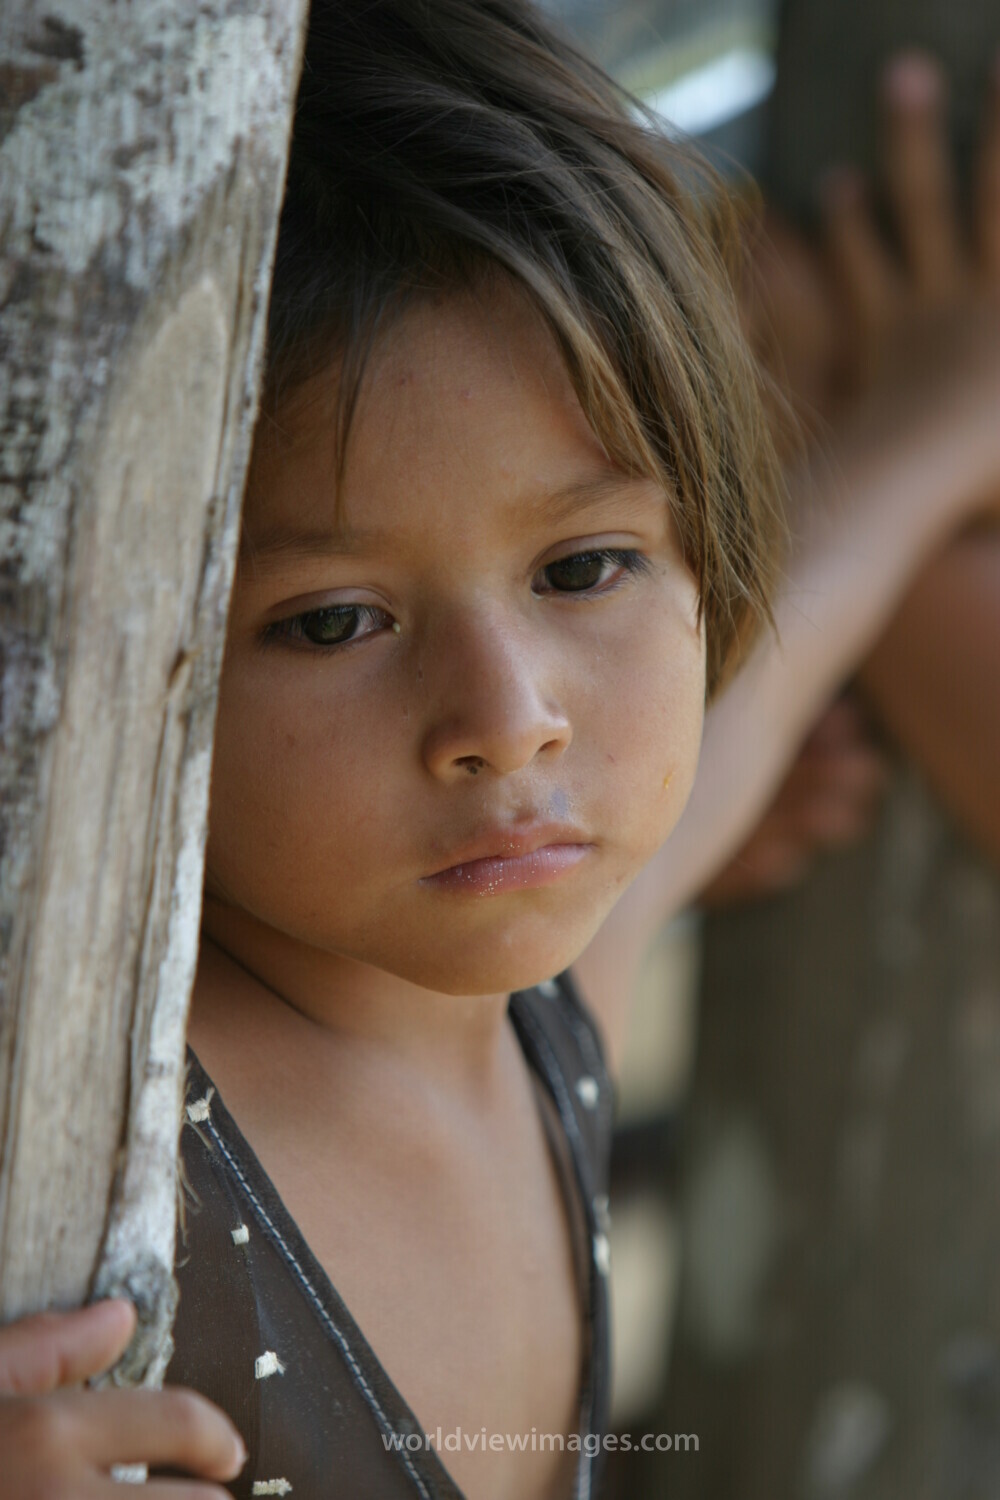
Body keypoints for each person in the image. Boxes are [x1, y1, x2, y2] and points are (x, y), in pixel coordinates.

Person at [1, 5, 999, 1497]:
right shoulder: (83, 1151)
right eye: (333, 622)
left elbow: (757, 695)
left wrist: (935, 421)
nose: (508, 714)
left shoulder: (542, 1026)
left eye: (583, 569)